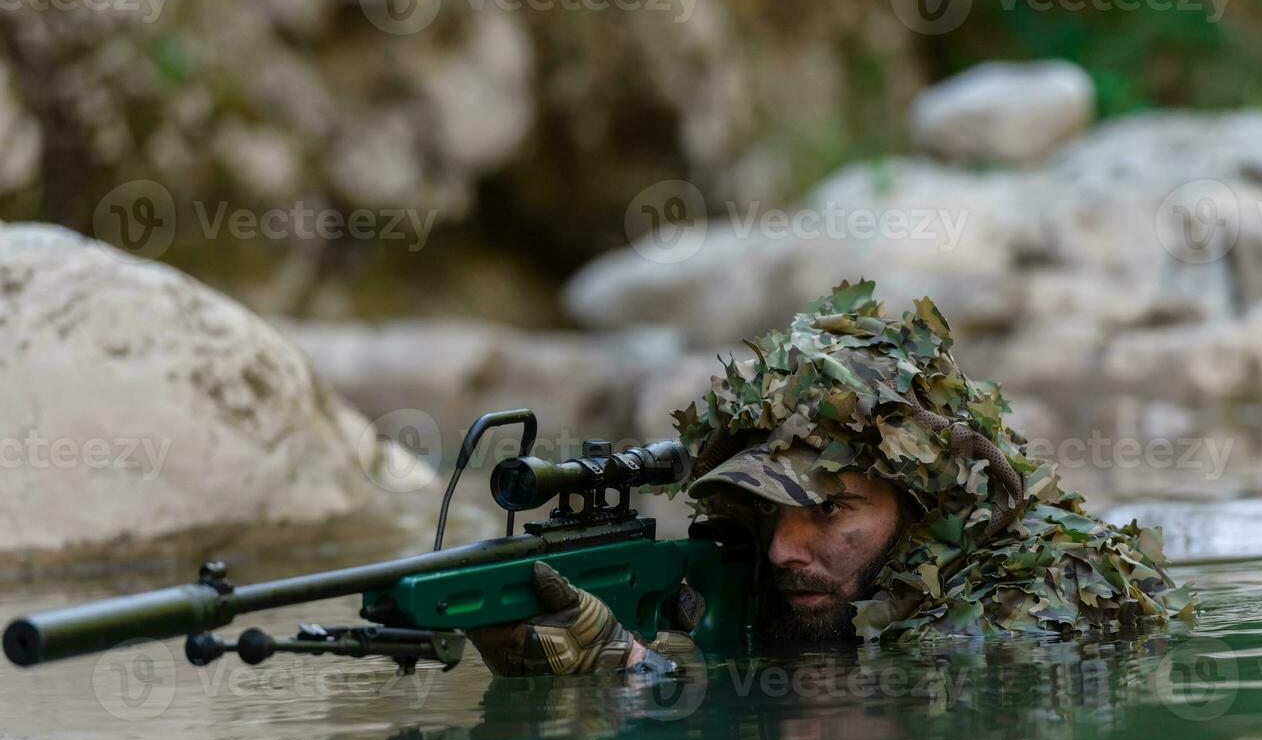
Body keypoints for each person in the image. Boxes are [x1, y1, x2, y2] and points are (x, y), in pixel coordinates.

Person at [469, 280, 1195, 676]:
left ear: (923, 510)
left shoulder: (1037, 595)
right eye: (766, 511)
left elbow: (910, 700)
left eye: (829, 511)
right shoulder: (796, 591)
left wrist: (638, 673)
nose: (784, 548)